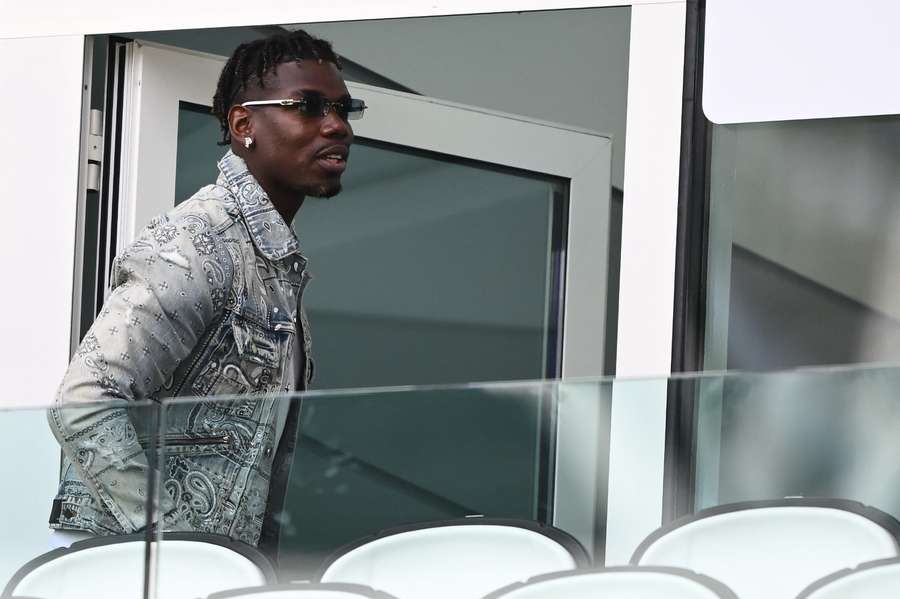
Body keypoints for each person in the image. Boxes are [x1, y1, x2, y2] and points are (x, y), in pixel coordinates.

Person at [47, 30, 364, 556]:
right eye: (308, 106)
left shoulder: (274, 263)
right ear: (244, 125)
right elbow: (84, 402)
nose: (336, 125)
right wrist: (175, 549)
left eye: (343, 107)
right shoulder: (198, 242)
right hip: (130, 569)